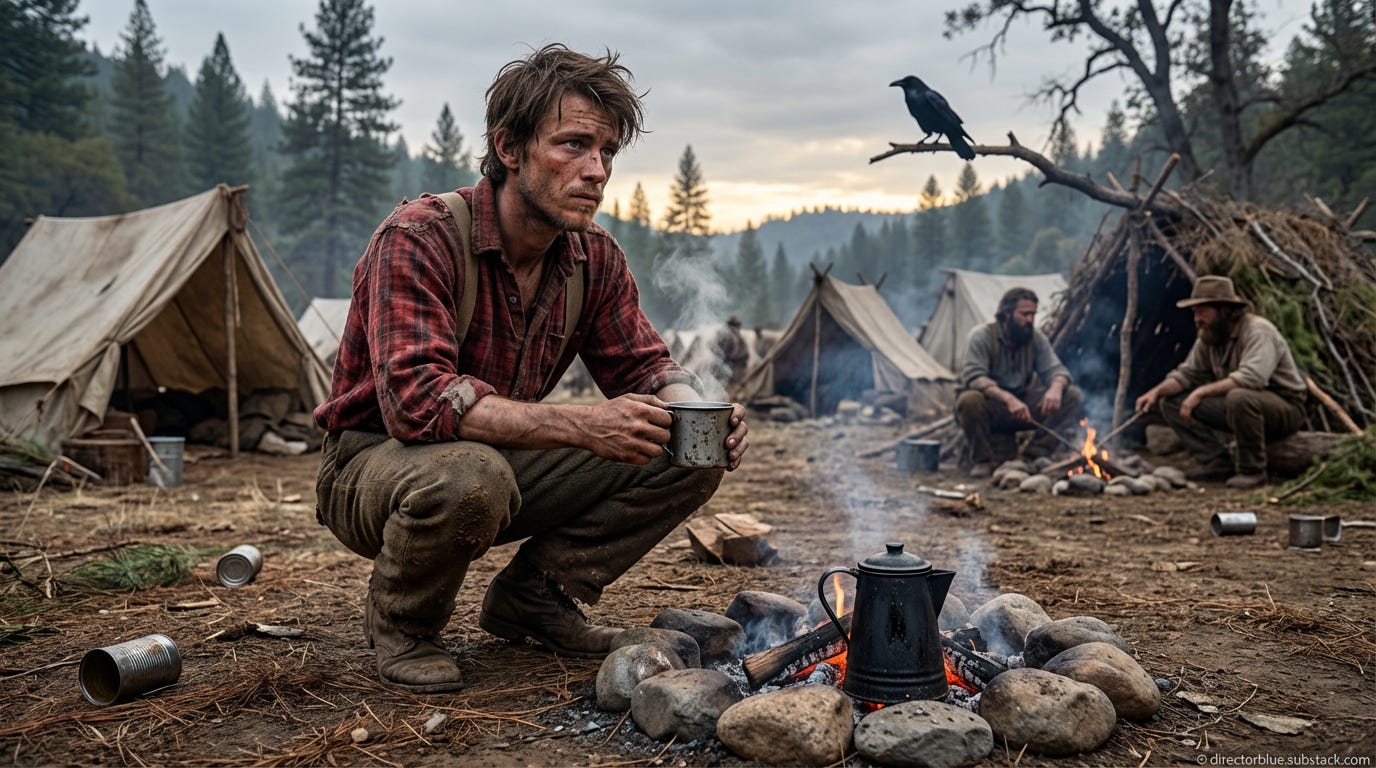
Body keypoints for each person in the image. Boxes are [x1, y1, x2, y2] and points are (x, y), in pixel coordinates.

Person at [313, 45, 749, 694]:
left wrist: (699, 413)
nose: (596, 170)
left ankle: (536, 598)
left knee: (689, 449)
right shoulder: (420, 236)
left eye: (605, 152)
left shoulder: (592, 258)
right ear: (509, 148)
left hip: (498, 461)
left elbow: (647, 364)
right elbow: (418, 404)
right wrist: (582, 426)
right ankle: (404, 626)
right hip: (375, 464)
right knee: (470, 475)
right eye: (572, 145)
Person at [1135, 275, 1306, 490]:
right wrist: (1156, 392)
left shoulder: (1258, 331)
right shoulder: (1209, 336)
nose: (1197, 319)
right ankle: (1216, 462)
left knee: (1240, 397)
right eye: (1195, 312)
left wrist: (1200, 393)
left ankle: (1252, 471)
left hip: (1285, 408)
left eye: (1202, 311)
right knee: (1170, 401)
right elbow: (1187, 374)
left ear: (1224, 310)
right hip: (1241, 407)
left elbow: (1252, 378)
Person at [955, 287, 1082, 478]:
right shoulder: (981, 336)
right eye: (1024, 314)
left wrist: (1055, 388)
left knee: (1072, 395)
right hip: (992, 407)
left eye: (1033, 314)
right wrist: (1008, 399)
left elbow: (1057, 370)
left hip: (1024, 408)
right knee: (969, 400)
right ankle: (983, 460)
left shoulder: (1035, 338)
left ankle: (1034, 455)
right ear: (1006, 314)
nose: (1030, 320)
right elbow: (974, 377)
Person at [710, 315, 751, 388]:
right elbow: (714, 350)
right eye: (732, 325)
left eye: (735, 325)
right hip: (724, 369)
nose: (733, 328)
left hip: (735, 370)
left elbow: (745, 355)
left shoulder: (740, 340)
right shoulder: (724, 336)